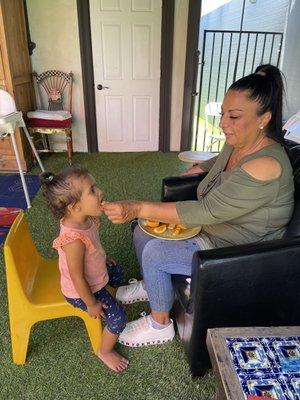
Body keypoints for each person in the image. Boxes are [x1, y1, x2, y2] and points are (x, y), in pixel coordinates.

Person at [104, 64, 295, 348]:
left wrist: (137, 207)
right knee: (143, 232)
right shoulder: (242, 142)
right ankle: (153, 285)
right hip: (214, 227)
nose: (223, 124)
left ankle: (160, 324)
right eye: (223, 114)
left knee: (156, 250)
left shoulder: (266, 165)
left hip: (235, 247)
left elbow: (205, 211)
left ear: (263, 119)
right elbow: (218, 162)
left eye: (234, 116)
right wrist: (195, 170)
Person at [40, 166, 129, 372]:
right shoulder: (73, 241)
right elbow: (77, 277)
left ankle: (109, 297)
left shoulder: (84, 219)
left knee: (117, 270)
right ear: (75, 207)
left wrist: (101, 261)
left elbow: (92, 251)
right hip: (82, 292)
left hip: (95, 277)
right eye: (92, 190)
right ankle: (104, 351)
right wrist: (92, 304)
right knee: (119, 319)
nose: (100, 192)